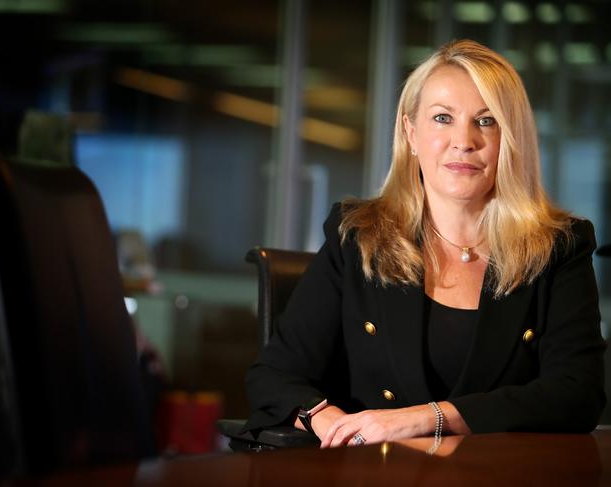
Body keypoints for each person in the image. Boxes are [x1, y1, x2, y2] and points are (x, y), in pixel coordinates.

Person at [244, 39, 607, 448]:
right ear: (410, 132)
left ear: (512, 138)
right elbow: (274, 376)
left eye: (486, 121)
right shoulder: (357, 236)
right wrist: (332, 424)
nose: (464, 140)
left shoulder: (557, 247)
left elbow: (578, 394)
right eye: (442, 118)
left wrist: (426, 419)